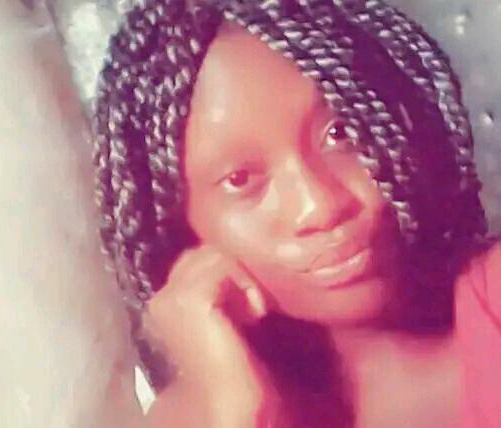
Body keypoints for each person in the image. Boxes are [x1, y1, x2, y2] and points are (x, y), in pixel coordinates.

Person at [92, 0, 501, 426]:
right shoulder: (195, 415)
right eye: (241, 179)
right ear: (183, 228)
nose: (320, 206)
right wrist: (237, 406)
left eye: (339, 134)